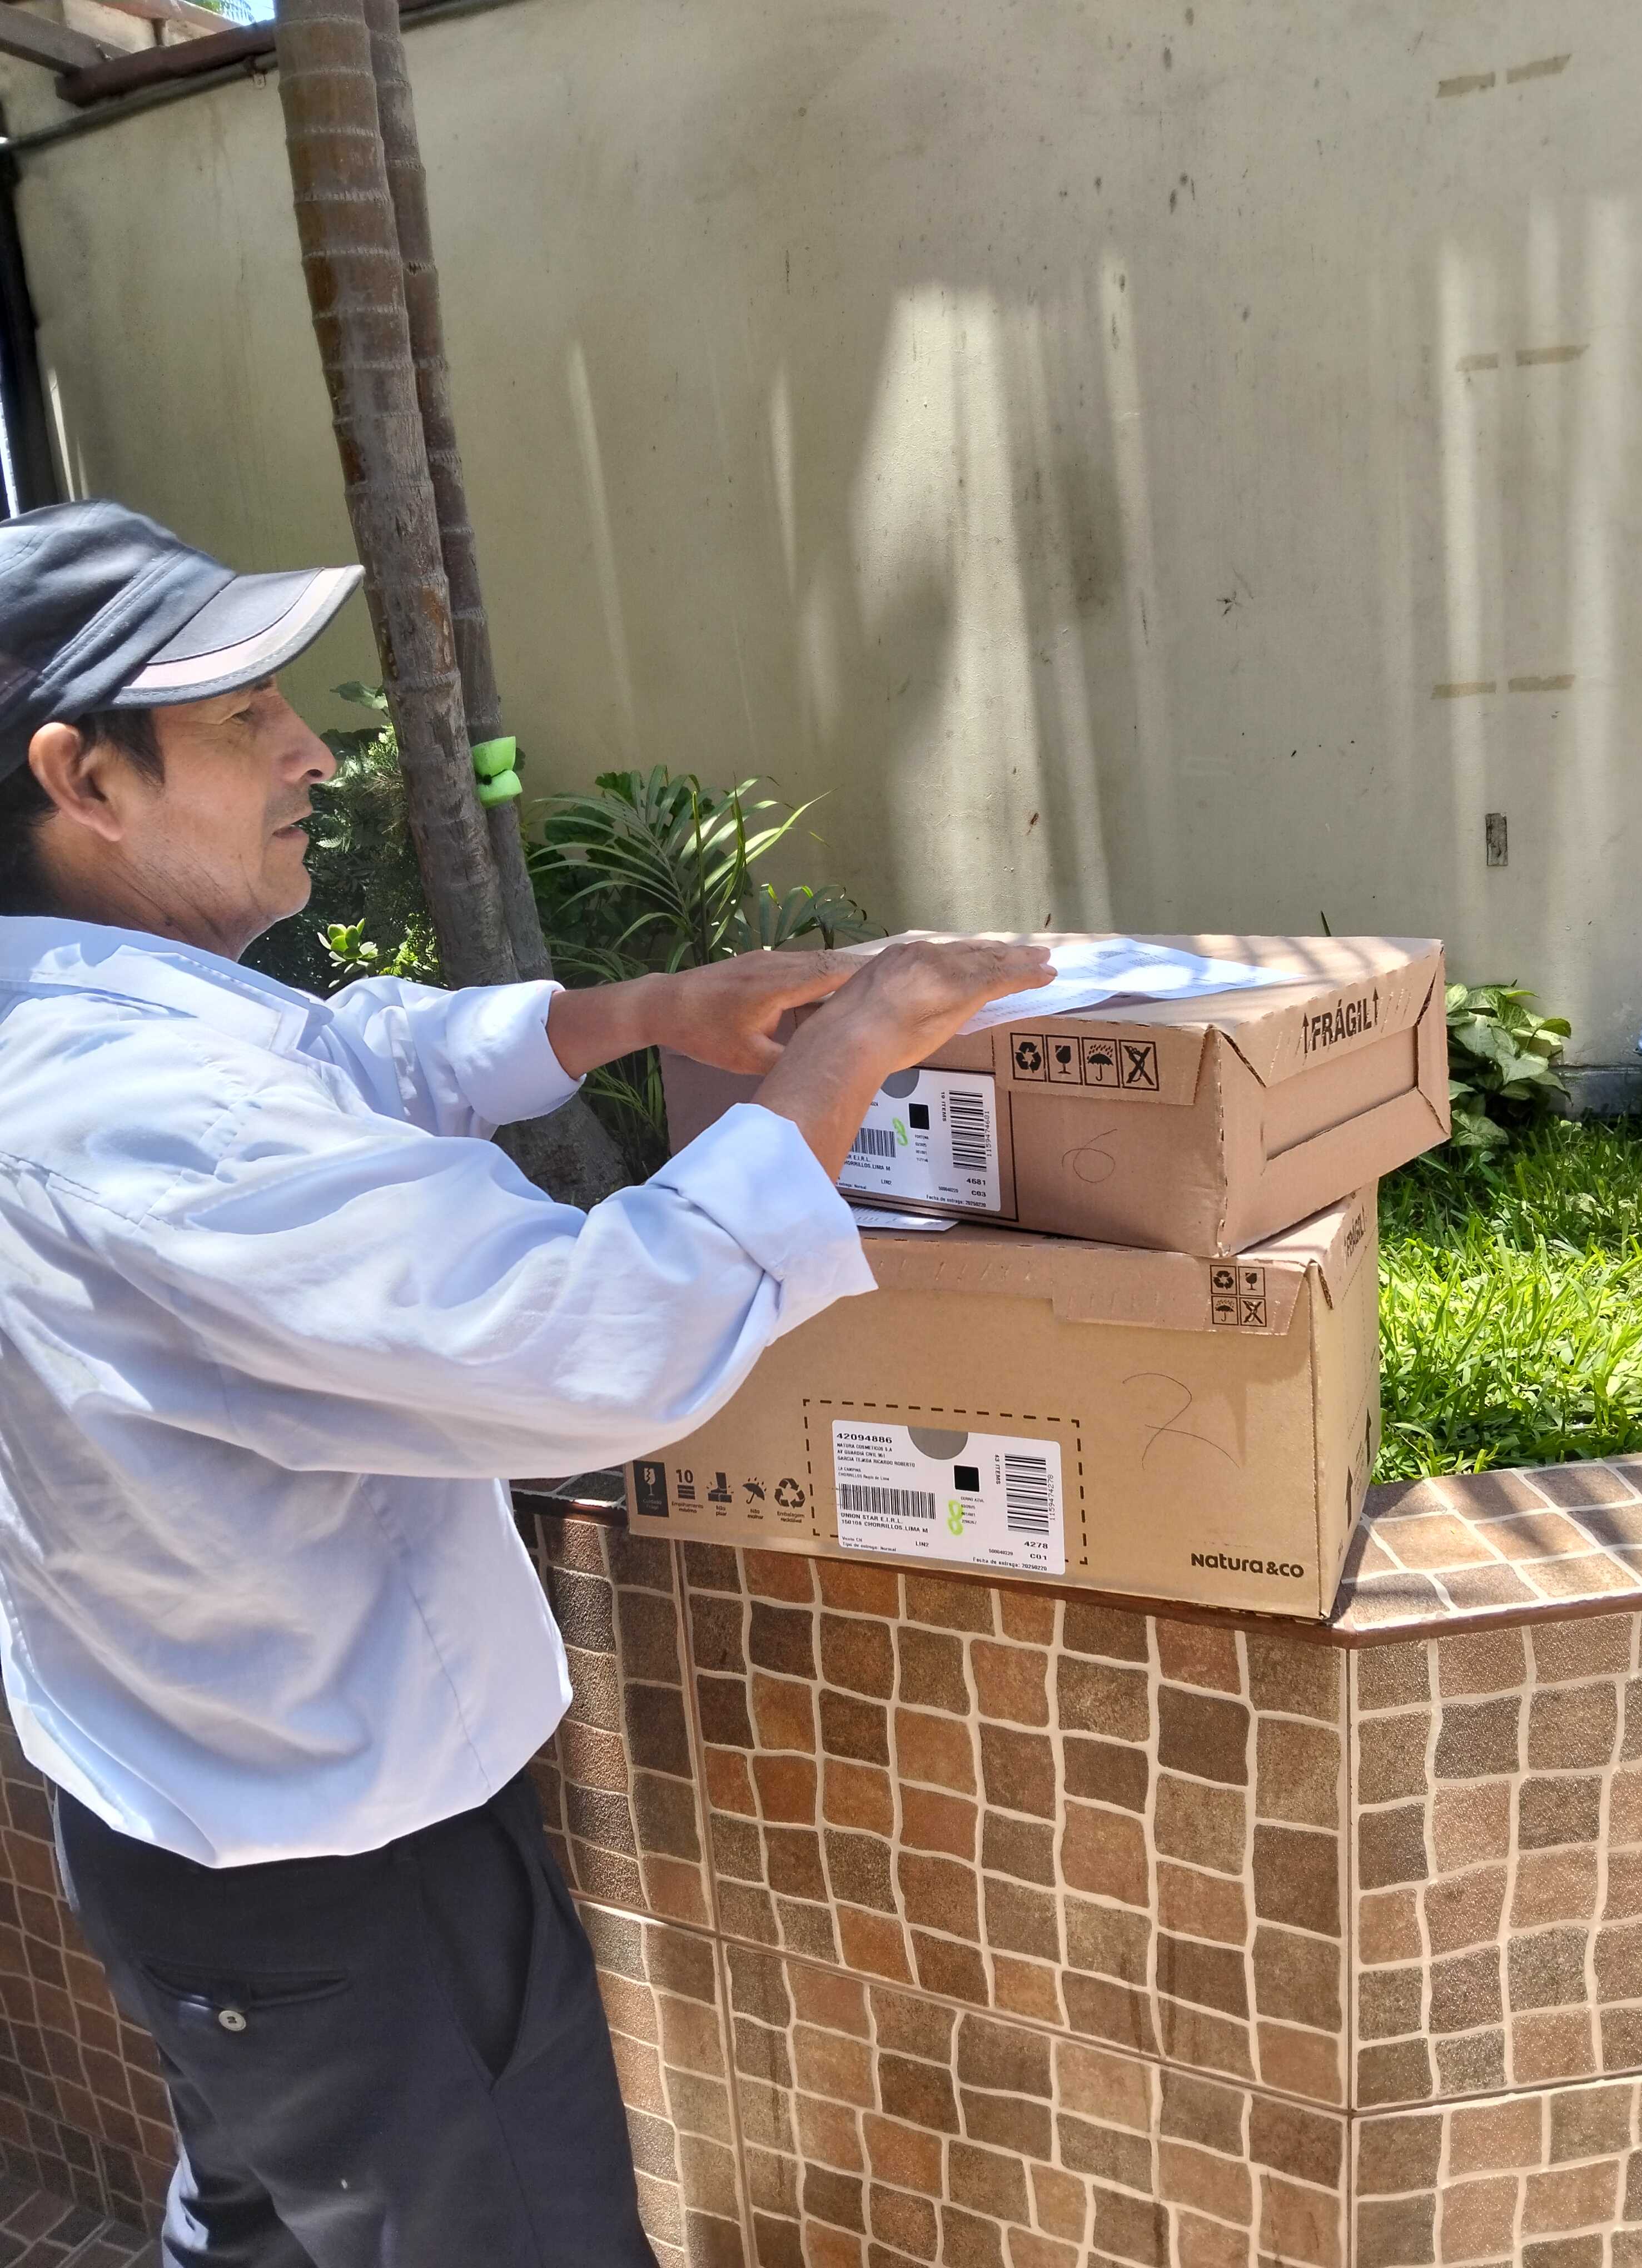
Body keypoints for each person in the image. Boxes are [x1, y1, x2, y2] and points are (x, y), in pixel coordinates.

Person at [0, 500, 1051, 2266]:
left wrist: (643, 1009)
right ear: (81, 780)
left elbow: (345, 1057)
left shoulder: (96, 1025)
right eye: (244, 717)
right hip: (348, 1882)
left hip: (192, 1831)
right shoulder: (147, 1121)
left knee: (270, 2220)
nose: (307, 752)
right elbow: (587, 1336)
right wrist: (856, 1050)